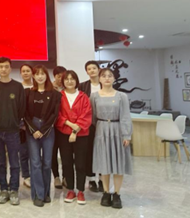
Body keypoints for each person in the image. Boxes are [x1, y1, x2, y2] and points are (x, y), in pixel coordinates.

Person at [90, 68, 133, 209]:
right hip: (101, 130)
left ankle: (117, 194)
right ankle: (106, 192)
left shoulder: (122, 96)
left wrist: (126, 134)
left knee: (118, 164)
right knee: (104, 163)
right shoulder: (94, 96)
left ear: (114, 79)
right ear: (99, 79)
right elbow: (93, 117)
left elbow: (126, 116)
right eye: (104, 76)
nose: (107, 78)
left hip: (117, 130)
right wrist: (100, 128)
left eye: (110, 76)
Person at [24, 65, 61, 207]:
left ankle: (46, 193)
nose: (40, 76)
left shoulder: (55, 94)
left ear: (46, 76)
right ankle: (38, 195)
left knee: (47, 163)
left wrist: (43, 130)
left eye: (42, 74)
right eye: (37, 74)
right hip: (32, 130)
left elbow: (54, 115)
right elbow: (25, 114)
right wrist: (34, 130)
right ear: (33, 76)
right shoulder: (28, 93)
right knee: (35, 163)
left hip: (48, 130)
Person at [0, 57, 25, 205]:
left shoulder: (17, 86)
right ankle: (3, 189)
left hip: (13, 131)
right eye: (1, 67)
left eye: (6, 67)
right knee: (0, 163)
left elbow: (22, 108)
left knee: (14, 162)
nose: (3, 69)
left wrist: (15, 123)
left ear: (10, 68)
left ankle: (14, 189)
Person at [55, 70, 92, 205]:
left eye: (72, 79)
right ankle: (70, 190)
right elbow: (57, 115)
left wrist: (75, 131)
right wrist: (70, 125)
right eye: (67, 79)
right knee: (66, 162)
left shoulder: (83, 97)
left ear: (76, 81)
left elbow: (86, 115)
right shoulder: (58, 96)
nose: (69, 81)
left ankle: (81, 190)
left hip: (81, 134)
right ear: (63, 81)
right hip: (64, 134)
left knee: (81, 163)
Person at [79, 60, 103, 193]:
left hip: (103, 122)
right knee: (89, 151)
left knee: (102, 151)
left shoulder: (105, 84)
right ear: (86, 72)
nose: (92, 70)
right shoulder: (82, 86)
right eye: (89, 69)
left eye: (94, 68)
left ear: (99, 69)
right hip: (88, 124)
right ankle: (92, 179)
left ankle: (103, 178)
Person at [51, 66, 66, 190]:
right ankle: (56, 176)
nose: (60, 78)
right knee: (53, 152)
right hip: (52, 125)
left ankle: (66, 176)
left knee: (66, 152)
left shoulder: (69, 88)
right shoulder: (49, 88)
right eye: (58, 76)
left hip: (65, 125)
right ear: (54, 76)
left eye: (63, 76)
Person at [18, 64, 33, 188]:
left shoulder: (37, 87)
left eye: (28, 71)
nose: (26, 73)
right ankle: (26, 176)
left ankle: (35, 174)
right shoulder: (18, 87)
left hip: (36, 126)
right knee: (23, 153)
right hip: (22, 126)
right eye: (23, 71)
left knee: (35, 153)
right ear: (20, 73)